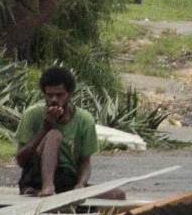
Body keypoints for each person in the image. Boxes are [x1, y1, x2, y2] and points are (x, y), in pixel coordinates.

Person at [14, 66, 123, 199]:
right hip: (36, 177)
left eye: (59, 95)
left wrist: (81, 184)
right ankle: (47, 187)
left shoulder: (84, 120)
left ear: (69, 94)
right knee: (54, 135)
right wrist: (45, 129)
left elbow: (85, 162)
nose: (54, 99)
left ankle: (59, 192)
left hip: (67, 180)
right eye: (49, 95)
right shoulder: (32, 114)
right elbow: (21, 160)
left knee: (117, 194)